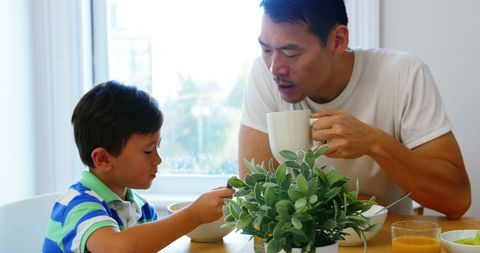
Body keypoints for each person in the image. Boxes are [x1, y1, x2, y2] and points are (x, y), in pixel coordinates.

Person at [239, 0, 471, 219]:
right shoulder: (263, 75)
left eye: (291, 53)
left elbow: (457, 201)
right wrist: (354, 202)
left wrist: (375, 143)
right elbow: (255, 198)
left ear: (338, 41)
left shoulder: (403, 74)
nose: (274, 67)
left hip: (386, 242)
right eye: (266, 49)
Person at [42, 81, 234, 253]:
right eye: (148, 151)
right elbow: (119, 248)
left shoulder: (142, 209)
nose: (158, 160)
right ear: (103, 159)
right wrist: (193, 215)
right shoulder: (78, 205)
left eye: (158, 147)